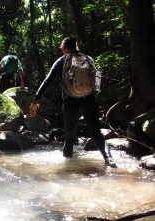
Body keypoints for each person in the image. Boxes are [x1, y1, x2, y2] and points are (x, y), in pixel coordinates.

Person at [29, 36, 117, 168]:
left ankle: (68, 169)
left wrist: (36, 99)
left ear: (65, 48)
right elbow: (97, 79)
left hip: (71, 102)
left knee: (69, 137)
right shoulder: (88, 59)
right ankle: (109, 159)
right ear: (76, 47)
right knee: (96, 134)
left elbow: (47, 81)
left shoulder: (62, 60)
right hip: (89, 99)